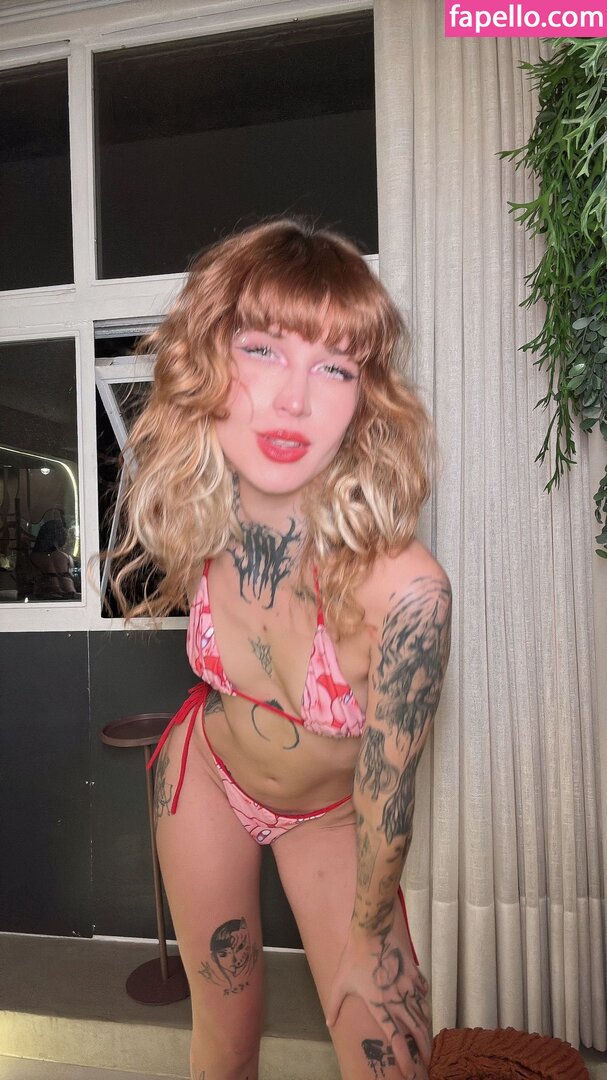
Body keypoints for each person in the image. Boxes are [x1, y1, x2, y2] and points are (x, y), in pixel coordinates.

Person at [109, 219, 452, 1080]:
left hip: (333, 820)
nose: (294, 400)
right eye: (262, 350)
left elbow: (387, 795)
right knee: (222, 1046)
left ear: (364, 398)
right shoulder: (199, 515)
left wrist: (367, 939)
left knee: (394, 1062)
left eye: (334, 366)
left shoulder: (405, 593)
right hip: (204, 777)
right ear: (205, 364)